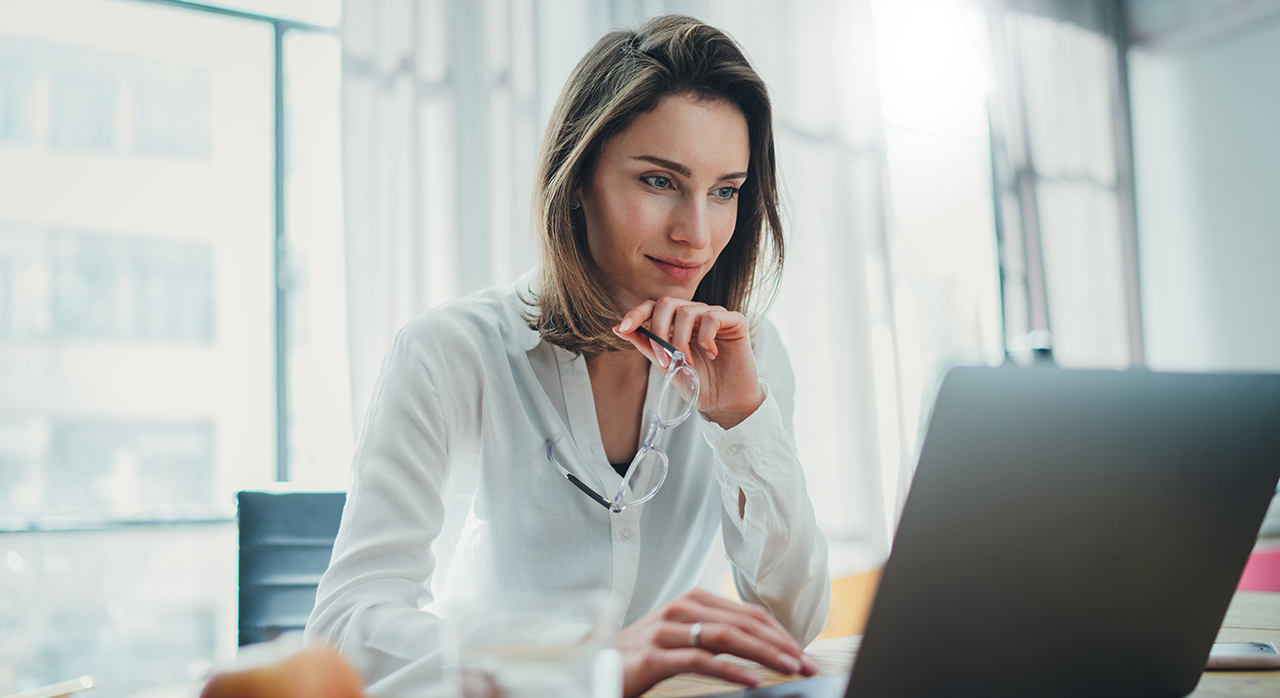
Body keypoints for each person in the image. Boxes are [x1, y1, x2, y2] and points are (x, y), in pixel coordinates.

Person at [305, 14, 830, 698]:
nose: (697, 234)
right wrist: (579, 666)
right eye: (659, 181)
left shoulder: (746, 357)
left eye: (725, 190)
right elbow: (345, 626)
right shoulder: (451, 351)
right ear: (578, 179)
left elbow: (790, 624)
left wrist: (741, 421)